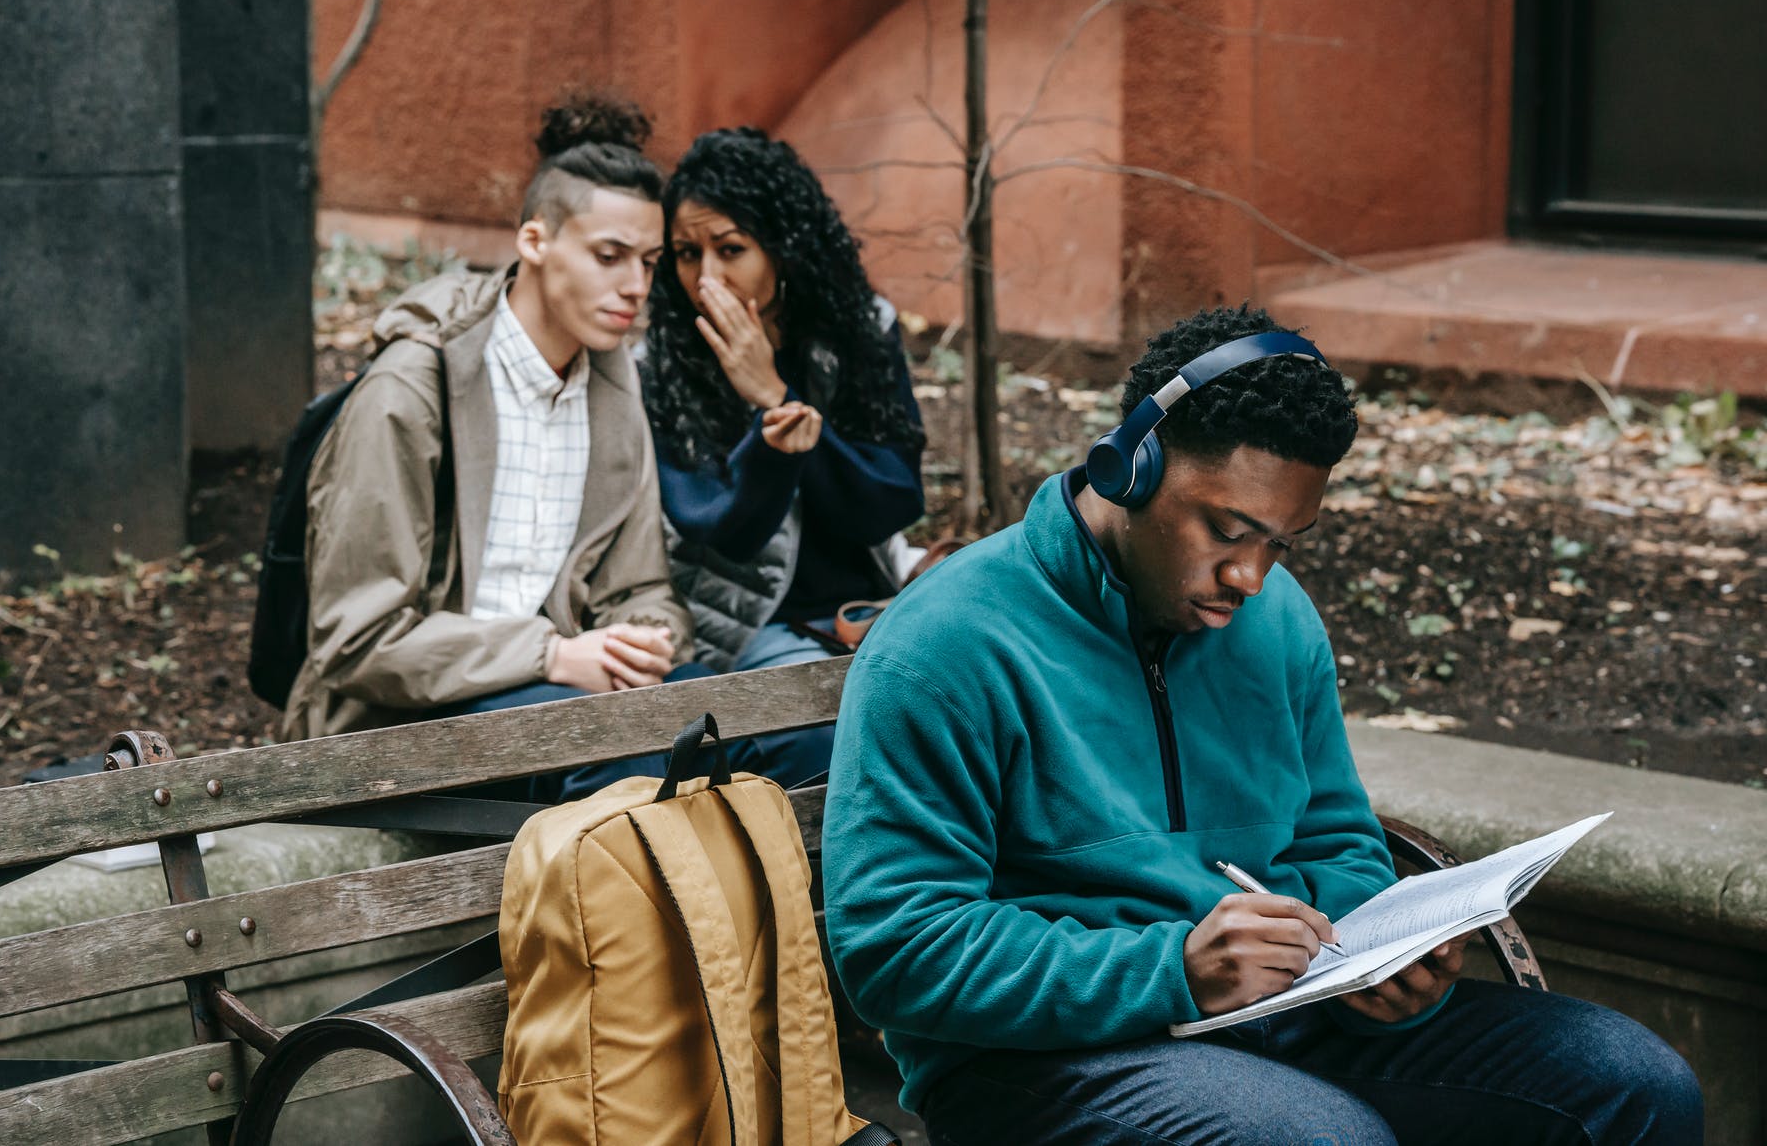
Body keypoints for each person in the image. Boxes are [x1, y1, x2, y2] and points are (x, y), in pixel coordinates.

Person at [822, 306, 1702, 1145]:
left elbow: (1341, 844)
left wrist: (1389, 962)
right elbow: (895, 946)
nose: (1249, 577)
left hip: (1286, 1018)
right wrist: (1173, 968)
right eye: (1228, 529)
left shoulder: (1278, 621)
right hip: (1043, 1059)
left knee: (1630, 1080)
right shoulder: (944, 645)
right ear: (1130, 466)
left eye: (1283, 541)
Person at [280, 97, 707, 793]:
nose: (636, 286)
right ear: (534, 242)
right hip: (397, 719)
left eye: (650, 261)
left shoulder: (614, 383)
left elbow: (639, 586)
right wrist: (550, 653)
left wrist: (643, 636)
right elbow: (357, 643)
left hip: (560, 700)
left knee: (760, 731)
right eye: (609, 256)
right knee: (627, 766)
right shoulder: (412, 391)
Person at [639, 127, 926, 684]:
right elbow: (723, 533)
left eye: (730, 250)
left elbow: (893, 500)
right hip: (746, 625)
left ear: (783, 247)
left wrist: (773, 394)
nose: (706, 279)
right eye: (686, 254)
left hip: (869, 607)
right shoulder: (661, 361)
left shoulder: (859, 330)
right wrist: (773, 438)